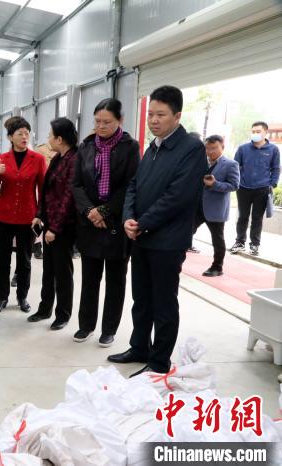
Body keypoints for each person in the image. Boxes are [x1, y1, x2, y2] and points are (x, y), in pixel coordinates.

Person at [109, 85, 207, 377]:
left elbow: (178, 196)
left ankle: (159, 360)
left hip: (167, 241)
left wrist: (142, 223)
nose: (153, 120)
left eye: (160, 115)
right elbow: (134, 186)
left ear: (177, 116)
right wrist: (128, 218)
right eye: (150, 114)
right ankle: (139, 347)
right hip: (141, 237)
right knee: (141, 299)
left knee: (163, 302)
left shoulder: (191, 149)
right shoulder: (153, 147)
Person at [71, 98, 140, 347]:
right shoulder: (86, 146)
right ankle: (86, 325)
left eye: (107, 122)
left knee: (115, 280)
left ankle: (109, 329)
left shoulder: (130, 147)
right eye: (97, 121)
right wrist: (91, 211)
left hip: (116, 223)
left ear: (120, 120)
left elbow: (130, 185)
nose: (100, 126)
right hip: (90, 222)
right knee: (90, 279)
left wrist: (105, 211)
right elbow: (76, 184)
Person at [0, 117, 46, 315]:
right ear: (10, 137)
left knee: (25, 260)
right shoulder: (1, 159)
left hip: (28, 217)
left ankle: (22, 297)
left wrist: (40, 214)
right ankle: (1, 297)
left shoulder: (37, 159)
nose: (24, 137)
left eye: (27, 133)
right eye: (20, 133)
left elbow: (43, 189)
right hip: (4, 217)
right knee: (3, 260)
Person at [29, 117, 78, 330]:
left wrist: (55, 229)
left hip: (63, 226)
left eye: (50, 135)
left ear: (59, 139)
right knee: (48, 270)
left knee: (63, 272)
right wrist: (39, 214)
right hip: (50, 222)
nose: (48, 139)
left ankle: (63, 314)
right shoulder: (59, 157)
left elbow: (68, 197)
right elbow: (47, 189)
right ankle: (45, 308)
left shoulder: (74, 159)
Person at [230, 121, 280, 256]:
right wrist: (236, 182)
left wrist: (272, 184)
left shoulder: (273, 150)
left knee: (257, 218)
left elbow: (276, 169)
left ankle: (254, 245)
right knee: (242, 217)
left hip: (262, 189)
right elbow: (235, 166)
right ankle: (240, 242)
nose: (255, 134)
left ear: (265, 133)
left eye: (258, 131)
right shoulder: (243, 148)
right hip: (243, 188)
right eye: (253, 131)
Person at [193, 135, 240, 276]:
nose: (210, 151)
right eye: (207, 148)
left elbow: (234, 185)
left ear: (222, 147)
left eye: (214, 148)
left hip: (215, 209)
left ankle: (217, 267)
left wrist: (215, 184)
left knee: (217, 239)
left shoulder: (231, 164)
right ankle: (174, 260)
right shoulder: (200, 162)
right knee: (185, 232)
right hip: (197, 206)